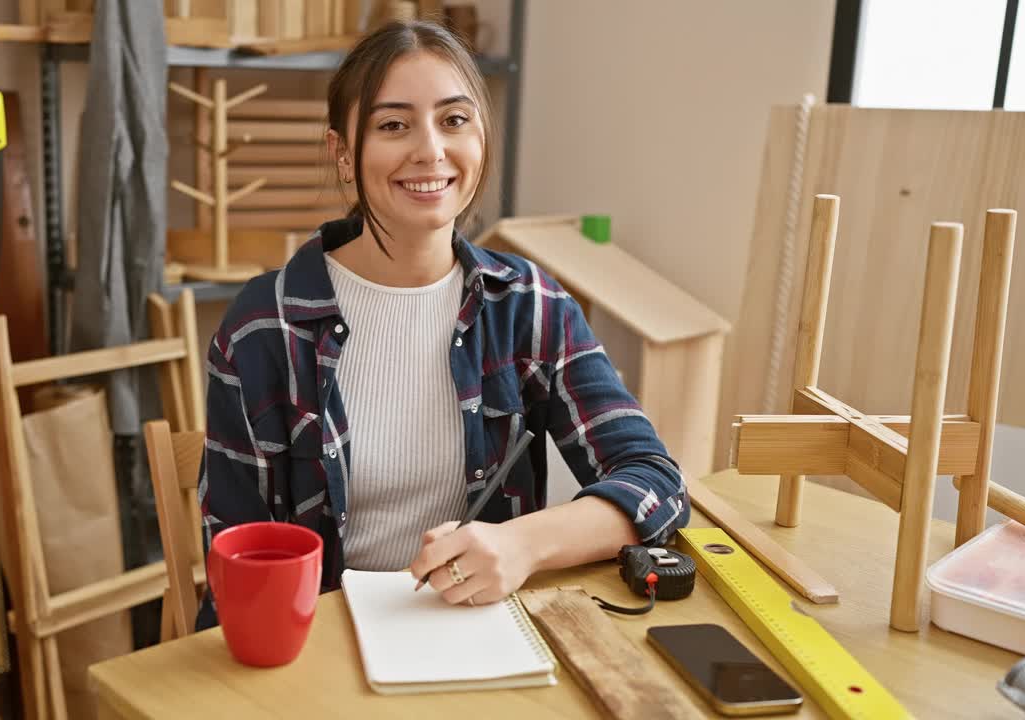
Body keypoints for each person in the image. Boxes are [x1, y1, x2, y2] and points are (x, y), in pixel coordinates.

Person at [195, 19, 689, 631]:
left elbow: (656, 483)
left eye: (454, 120)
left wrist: (523, 545)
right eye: (393, 124)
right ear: (342, 155)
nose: (430, 150)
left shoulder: (527, 306)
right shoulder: (262, 328)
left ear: (480, 139)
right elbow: (236, 571)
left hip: (481, 634)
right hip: (315, 644)